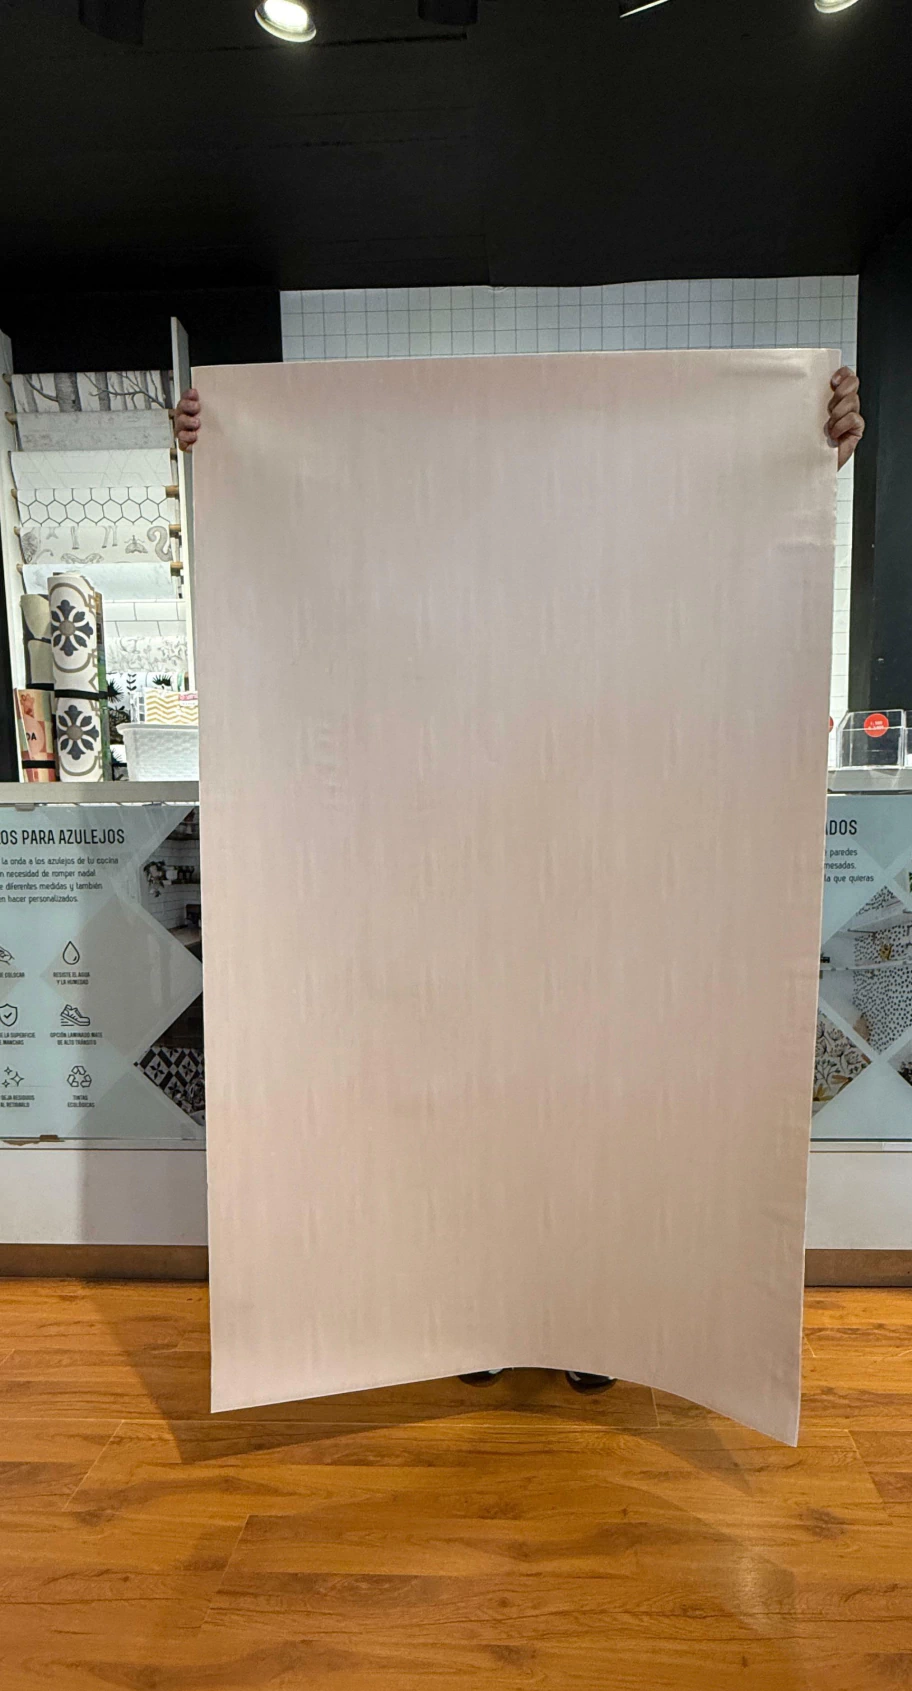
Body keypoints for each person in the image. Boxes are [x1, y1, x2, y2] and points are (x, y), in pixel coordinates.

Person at [174, 362, 863, 1395]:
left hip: (604, 859)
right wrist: (229, 446)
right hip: (457, 861)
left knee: (590, 1082)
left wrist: (806, 444)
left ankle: (596, 1316)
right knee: (475, 1082)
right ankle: (471, 1308)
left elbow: (716, 559)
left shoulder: (618, 595)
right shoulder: (438, 596)